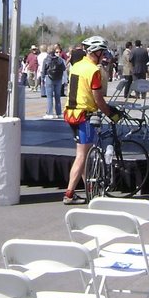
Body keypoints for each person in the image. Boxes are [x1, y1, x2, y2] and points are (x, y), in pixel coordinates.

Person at [61, 36, 124, 205]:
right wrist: (111, 113)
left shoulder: (77, 66)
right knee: (82, 155)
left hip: (71, 113)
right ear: (96, 52)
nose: (104, 55)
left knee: (85, 154)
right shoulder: (93, 71)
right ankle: (69, 194)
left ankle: (89, 189)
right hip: (84, 115)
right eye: (102, 52)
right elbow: (98, 99)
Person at [42, 44, 66, 118]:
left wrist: (42, 79)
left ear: (48, 52)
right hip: (58, 79)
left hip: (49, 79)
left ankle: (50, 113)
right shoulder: (60, 59)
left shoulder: (46, 60)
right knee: (57, 97)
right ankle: (59, 113)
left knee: (49, 97)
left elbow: (43, 71)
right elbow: (64, 68)